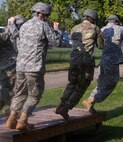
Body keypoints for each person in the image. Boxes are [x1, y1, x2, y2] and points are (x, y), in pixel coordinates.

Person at [6, 2, 61, 131]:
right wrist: (57, 29)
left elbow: (13, 35)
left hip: (20, 66)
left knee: (19, 94)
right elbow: (56, 42)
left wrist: (10, 23)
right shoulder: (43, 25)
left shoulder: (24, 25)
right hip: (34, 68)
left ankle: (12, 119)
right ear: (43, 14)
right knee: (35, 95)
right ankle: (23, 120)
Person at [55, 9, 103, 120]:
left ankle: (61, 105)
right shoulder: (95, 28)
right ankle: (66, 108)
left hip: (74, 59)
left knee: (71, 83)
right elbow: (100, 46)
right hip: (86, 61)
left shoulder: (74, 28)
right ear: (93, 18)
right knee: (82, 86)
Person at [82, 15, 123, 113]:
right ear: (117, 21)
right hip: (112, 60)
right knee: (112, 82)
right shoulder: (122, 29)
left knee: (102, 82)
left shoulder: (101, 29)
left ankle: (90, 101)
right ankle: (93, 99)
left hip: (103, 59)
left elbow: (98, 43)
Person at [0, 15, 25, 112]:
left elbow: (7, 35)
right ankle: (15, 111)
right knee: (9, 90)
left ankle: (14, 111)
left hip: (9, 66)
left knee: (8, 89)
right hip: (8, 66)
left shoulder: (8, 35)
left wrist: (10, 24)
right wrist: (10, 23)